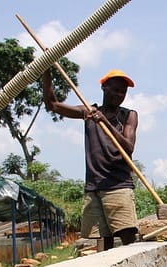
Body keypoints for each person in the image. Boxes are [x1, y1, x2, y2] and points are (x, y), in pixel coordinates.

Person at [42, 69, 140, 250]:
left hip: (118, 186)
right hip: (94, 187)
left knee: (127, 237)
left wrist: (105, 123)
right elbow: (52, 106)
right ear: (104, 88)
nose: (119, 95)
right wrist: (46, 71)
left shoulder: (128, 115)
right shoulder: (89, 112)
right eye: (115, 89)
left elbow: (128, 147)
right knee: (102, 241)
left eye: (123, 92)